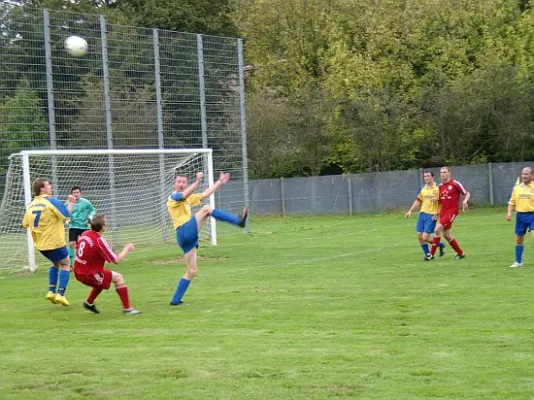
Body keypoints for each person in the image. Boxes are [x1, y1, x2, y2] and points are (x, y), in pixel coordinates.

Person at [167, 171, 248, 306]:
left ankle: (175, 300)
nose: (181, 184)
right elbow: (183, 195)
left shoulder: (188, 198)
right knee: (206, 209)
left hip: (185, 238)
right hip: (184, 231)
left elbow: (205, 194)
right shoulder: (173, 197)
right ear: (175, 184)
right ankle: (238, 221)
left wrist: (220, 182)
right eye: (178, 182)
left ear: (186, 184)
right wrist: (197, 182)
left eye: (183, 182)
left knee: (192, 271)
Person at [22, 178, 75, 306]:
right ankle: (61, 294)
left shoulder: (31, 205)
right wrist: (70, 202)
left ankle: (51, 291)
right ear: (42, 188)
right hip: (54, 242)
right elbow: (67, 215)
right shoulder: (51, 201)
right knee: (67, 264)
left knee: (56, 264)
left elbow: (24, 224)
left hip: (41, 245)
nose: (51, 186)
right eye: (48, 185)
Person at [73, 215, 140, 315]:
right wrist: (127, 249)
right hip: (88, 274)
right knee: (118, 278)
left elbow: (78, 248)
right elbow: (116, 260)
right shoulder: (100, 240)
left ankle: (89, 303)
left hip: (78, 270)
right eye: (106, 222)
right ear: (103, 227)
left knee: (102, 279)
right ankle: (128, 309)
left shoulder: (85, 233)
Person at [428, 167, 470, 260]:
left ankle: (431, 255)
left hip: (452, 212)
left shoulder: (455, 184)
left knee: (437, 229)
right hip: (443, 212)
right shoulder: (440, 186)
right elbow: (441, 200)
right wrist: (437, 210)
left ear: (449, 173)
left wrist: (465, 201)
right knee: (446, 235)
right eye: (441, 172)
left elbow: (467, 193)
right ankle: (460, 253)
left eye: (445, 172)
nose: (443, 174)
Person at [405, 171, 446, 260]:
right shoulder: (422, 188)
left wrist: (438, 213)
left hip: (432, 215)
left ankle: (439, 245)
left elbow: (442, 202)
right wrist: (410, 211)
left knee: (425, 237)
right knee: (419, 235)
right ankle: (428, 253)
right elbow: (418, 201)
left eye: (428, 176)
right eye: (425, 176)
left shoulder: (438, 188)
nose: (426, 178)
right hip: (422, 214)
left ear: (433, 177)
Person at [506, 167, 534, 268]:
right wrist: (509, 213)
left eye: (526, 174)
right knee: (519, 240)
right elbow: (512, 202)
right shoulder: (516, 188)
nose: (524, 176)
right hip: (520, 216)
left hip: (532, 216)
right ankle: (518, 261)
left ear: (532, 176)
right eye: (523, 174)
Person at [66, 186, 96, 267]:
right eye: (74, 193)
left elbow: (93, 210)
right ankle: (70, 264)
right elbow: (64, 212)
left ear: (80, 193)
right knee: (72, 243)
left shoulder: (85, 202)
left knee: (87, 244)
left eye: (77, 192)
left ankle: (89, 262)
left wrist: (90, 217)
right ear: (71, 194)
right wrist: (67, 220)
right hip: (73, 226)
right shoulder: (69, 203)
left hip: (84, 227)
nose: (76, 194)